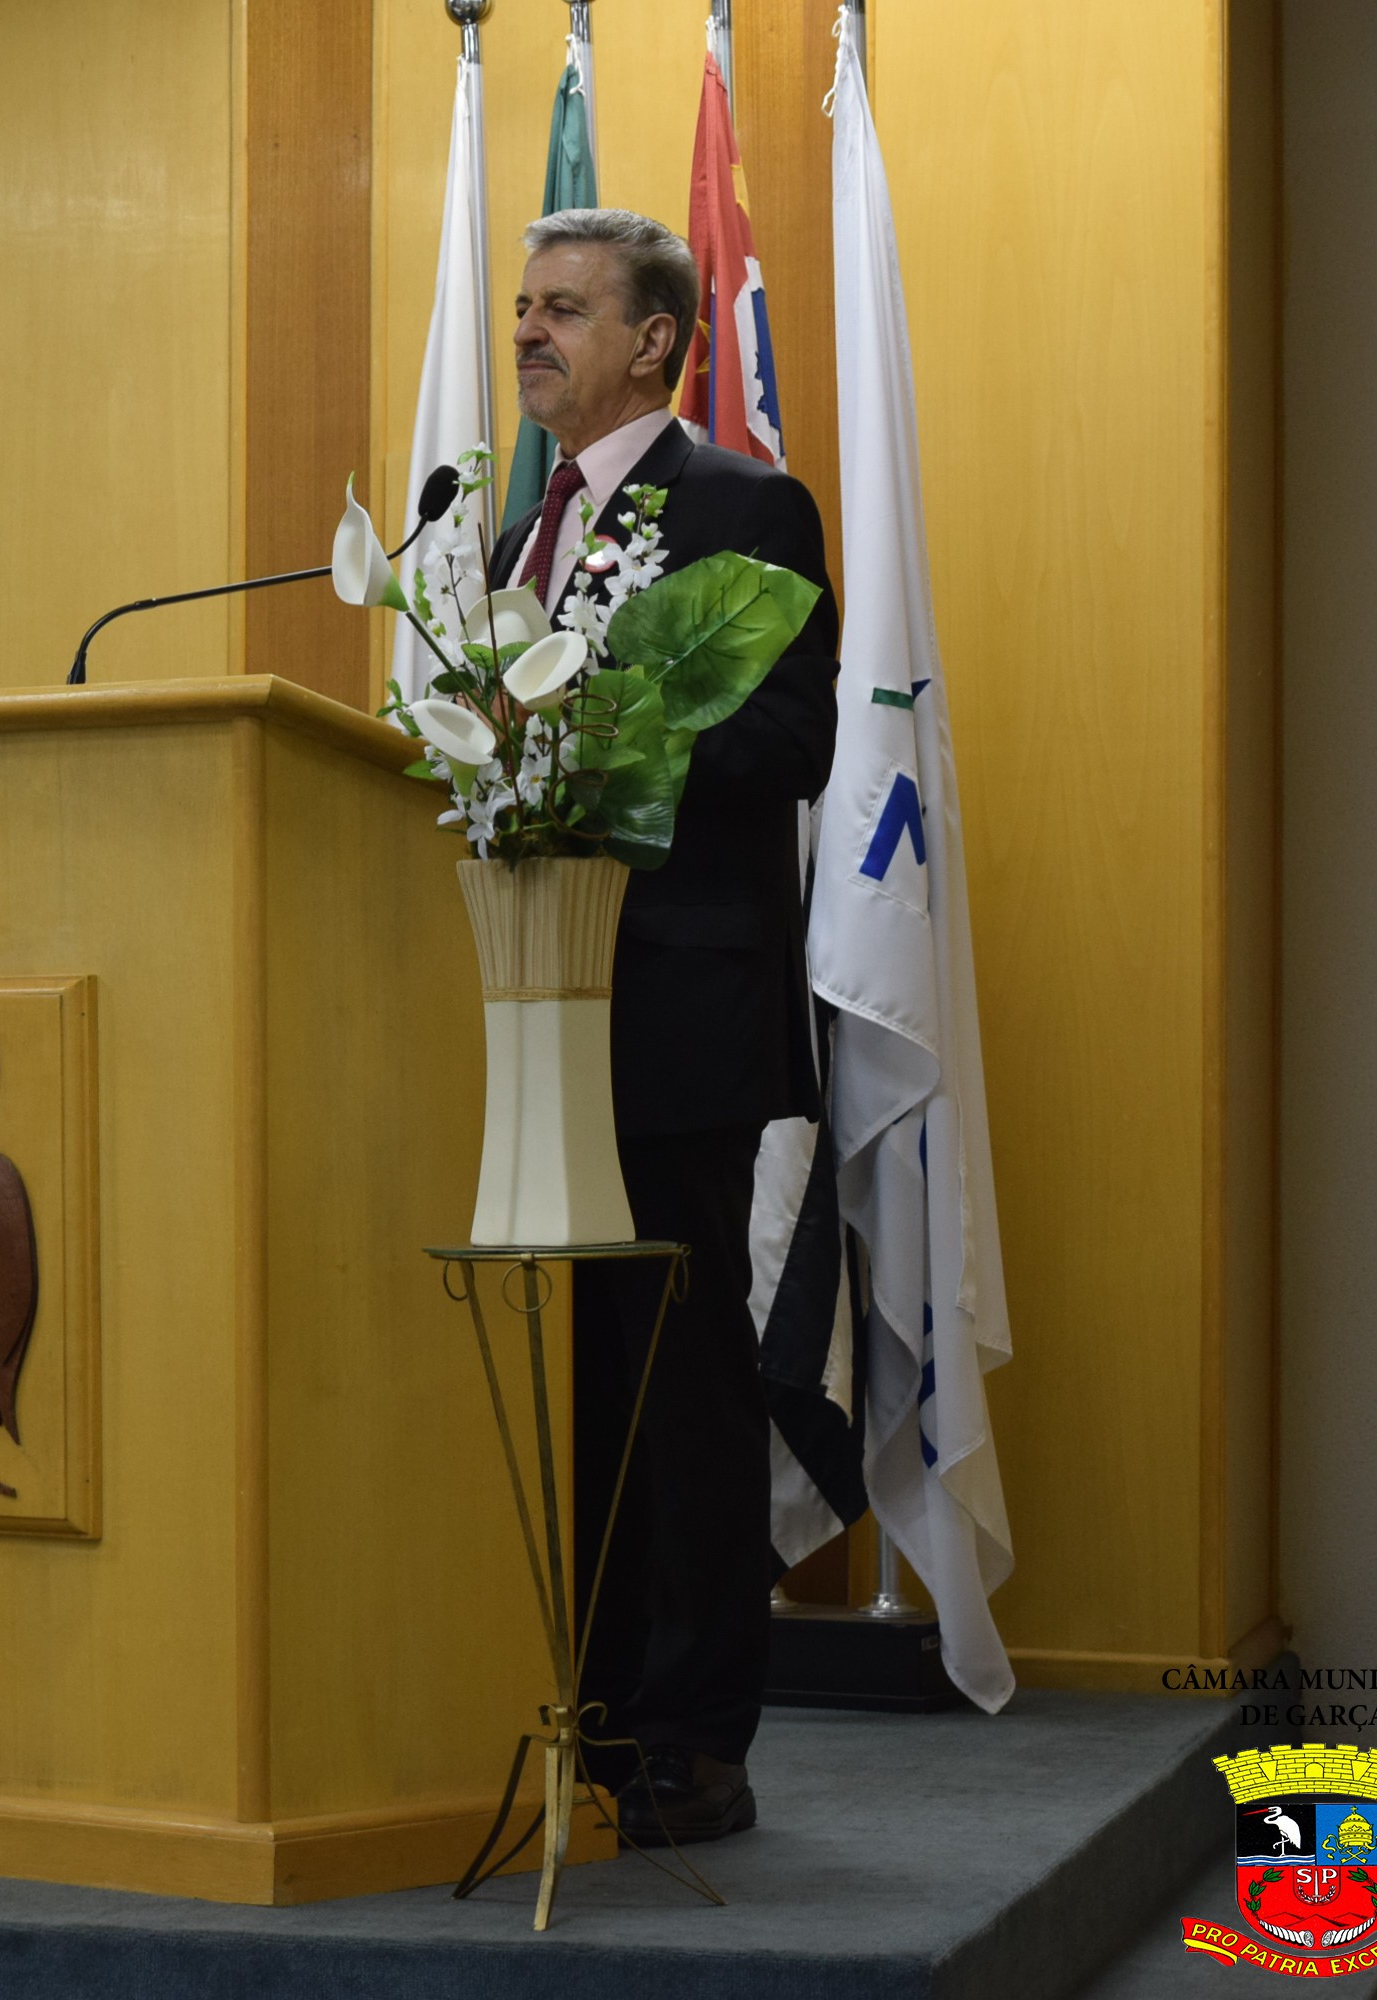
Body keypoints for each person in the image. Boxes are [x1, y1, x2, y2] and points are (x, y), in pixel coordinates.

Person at [487, 208, 839, 1842]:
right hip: (531, 1006)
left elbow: (780, 744)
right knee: (575, 1370)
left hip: (672, 1006)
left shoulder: (737, 504)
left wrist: (594, 733)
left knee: (678, 1378)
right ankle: (592, 1697)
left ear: (652, 339)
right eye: (520, 307)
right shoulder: (514, 533)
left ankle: (693, 1735)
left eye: (564, 309)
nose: (529, 330)